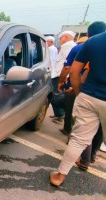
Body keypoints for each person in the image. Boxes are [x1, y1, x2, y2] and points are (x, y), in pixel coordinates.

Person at [49, 31, 106, 187]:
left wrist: (79, 91)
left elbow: (74, 71)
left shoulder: (94, 41)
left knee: (79, 139)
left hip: (90, 96)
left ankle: (59, 176)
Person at [50, 31, 76, 123]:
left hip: (60, 76)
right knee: (58, 95)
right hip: (60, 74)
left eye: (60, 38)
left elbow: (67, 65)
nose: (60, 40)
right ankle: (59, 114)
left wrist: (64, 77)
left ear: (65, 37)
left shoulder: (68, 45)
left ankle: (61, 114)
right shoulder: (71, 45)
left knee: (55, 96)